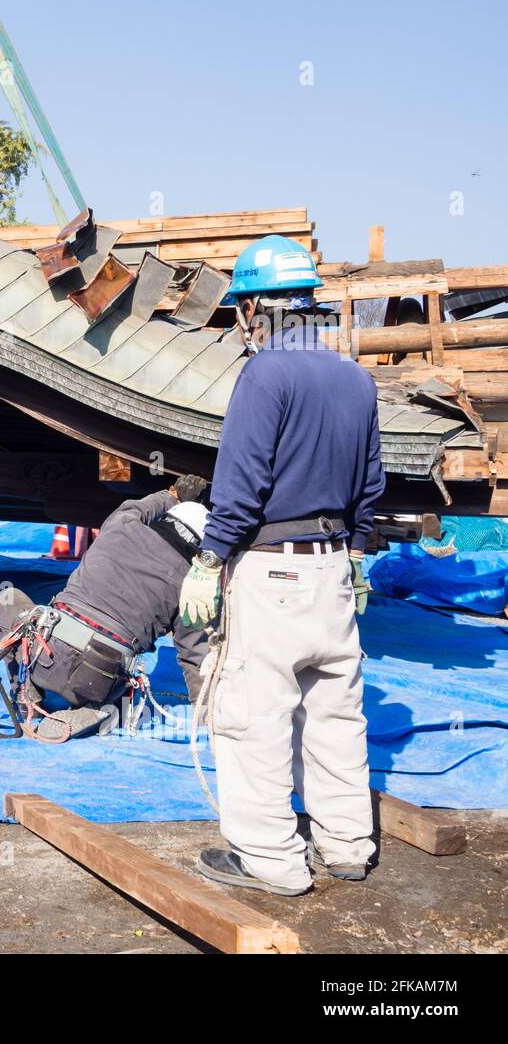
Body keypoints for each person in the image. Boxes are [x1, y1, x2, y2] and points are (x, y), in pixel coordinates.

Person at [179, 235, 384, 897]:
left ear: (258, 309)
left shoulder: (265, 374)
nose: (240, 321)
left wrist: (210, 557)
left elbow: (240, 483)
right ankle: (349, 844)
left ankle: (270, 858)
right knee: (335, 710)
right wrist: (354, 556)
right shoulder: (356, 379)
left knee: (253, 713)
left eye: (242, 308)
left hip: (272, 571)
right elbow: (371, 484)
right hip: (332, 571)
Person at [0, 475, 211, 735]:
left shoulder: (121, 525)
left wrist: (172, 496)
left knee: (8, 599)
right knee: (116, 682)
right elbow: (195, 657)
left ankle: (25, 694)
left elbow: (135, 507)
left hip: (44, 658)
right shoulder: (189, 584)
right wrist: (207, 713)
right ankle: (96, 709)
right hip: (99, 680)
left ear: (167, 519)